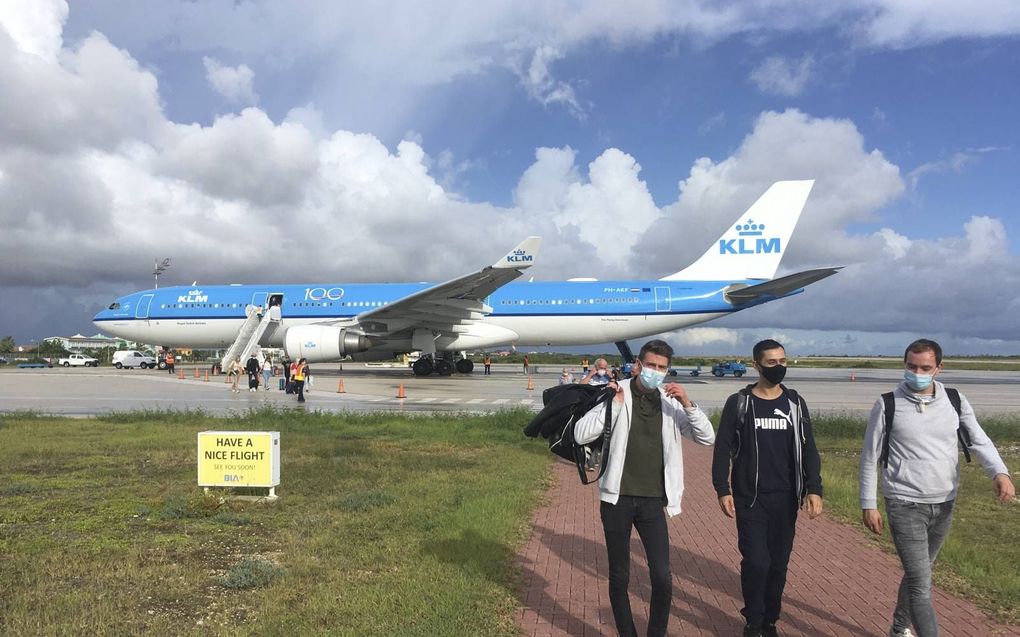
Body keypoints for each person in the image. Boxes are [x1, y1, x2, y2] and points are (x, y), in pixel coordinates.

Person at [860, 339, 1014, 637]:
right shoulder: (888, 404)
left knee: (920, 574)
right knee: (921, 583)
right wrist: (869, 503)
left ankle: (898, 627)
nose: (917, 372)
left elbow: (978, 439)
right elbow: (869, 456)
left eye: (925, 367)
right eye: (911, 366)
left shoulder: (955, 400)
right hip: (904, 503)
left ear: (938, 369)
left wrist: (999, 472)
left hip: (944, 502)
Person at [574, 339, 715, 637]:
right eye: (650, 365)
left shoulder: (669, 401)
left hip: (653, 502)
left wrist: (687, 404)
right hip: (617, 499)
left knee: (662, 577)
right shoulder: (616, 391)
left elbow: (706, 437)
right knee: (619, 577)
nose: (655, 371)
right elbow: (581, 433)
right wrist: (612, 405)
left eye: (662, 368)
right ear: (638, 365)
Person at [711, 339, 824, 637]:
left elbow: (809, 448)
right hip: (751, 499)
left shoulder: (795, 403)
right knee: (756, 561)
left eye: (783, 361)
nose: (779, 367)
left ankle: (770, 620)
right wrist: (722, 488)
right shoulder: (740, 403)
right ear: (756, 365)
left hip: (786, 498)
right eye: (772, 363)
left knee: (778, 564)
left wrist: (815, 488)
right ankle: (753, 619)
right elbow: (722, 448)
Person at [582, 358, 613, 471]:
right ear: (596, 367)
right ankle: (590, 460)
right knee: (592, 433)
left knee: (601, 435)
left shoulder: (608, 377)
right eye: (601, 368)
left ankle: (596, 454)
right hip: (591, 409)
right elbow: (581, 385)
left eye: (605, 368)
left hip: (605, 409)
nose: (603, 370)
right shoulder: (589, 375)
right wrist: (590, 374)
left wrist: (612, 377)